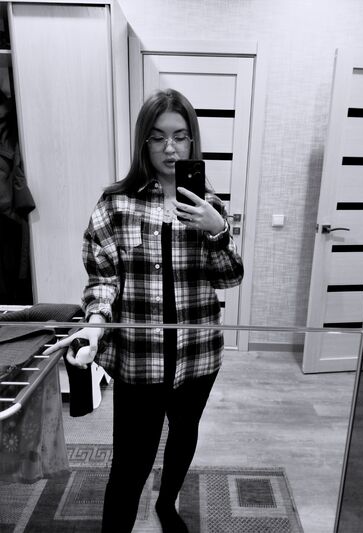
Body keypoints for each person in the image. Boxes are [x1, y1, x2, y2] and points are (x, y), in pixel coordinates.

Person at [44, 88, 243, 533]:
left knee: (184, 436)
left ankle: (167, 504)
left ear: (192, 141)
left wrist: (218, 231)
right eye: (158, 137)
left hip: (197, 355)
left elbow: (230, 278)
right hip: (138, 357)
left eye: (180, 136)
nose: (170, 148)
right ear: (144, 142)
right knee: (131, 461)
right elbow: (103, 278)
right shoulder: (116, 203)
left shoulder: (210, 205)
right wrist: (95, 325)